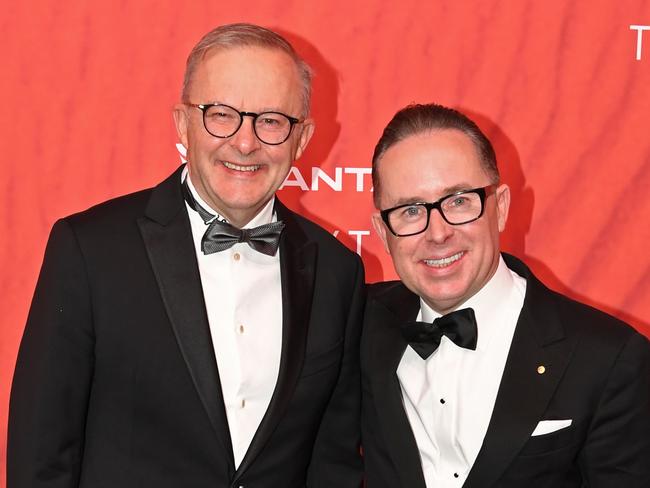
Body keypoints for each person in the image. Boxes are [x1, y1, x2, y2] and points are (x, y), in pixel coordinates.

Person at [8, 23, 364, 488]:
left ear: (302, 137)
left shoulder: (338, 273)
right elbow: (41, 457)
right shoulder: (91, 250)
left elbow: (332, 464)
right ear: (182, 123)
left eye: (272, 120)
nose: (245, 142)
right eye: (221, 114)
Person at [361, 103, 650, 487]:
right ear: (383, 232)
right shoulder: (358, 323)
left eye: (459, 201)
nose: (437, 233)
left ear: (499, 208)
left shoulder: (609, 358)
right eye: (411, 210)